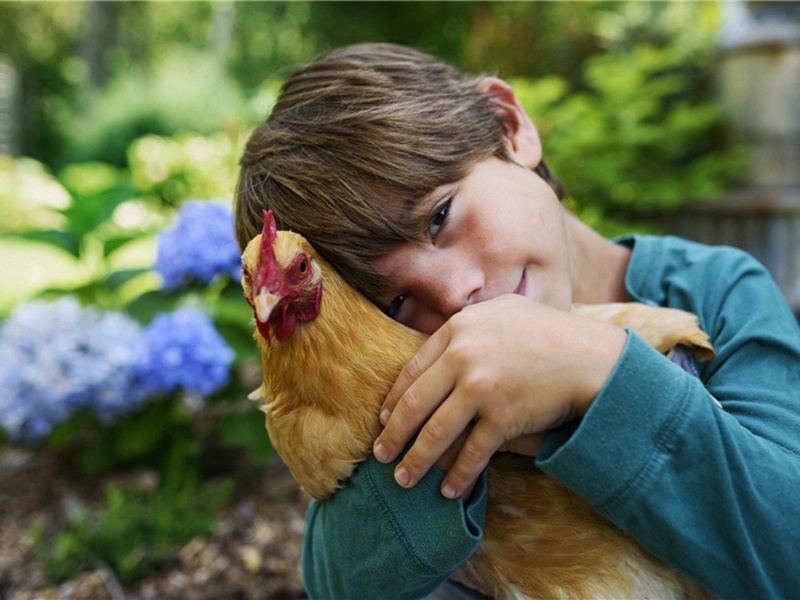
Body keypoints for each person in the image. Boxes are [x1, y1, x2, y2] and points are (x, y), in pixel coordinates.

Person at [234, 43, 800, 599]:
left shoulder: (715, 290)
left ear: (509, 127)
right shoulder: (408, 379)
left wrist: (597, 378)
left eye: (439, 218)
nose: (456, 296)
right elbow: (335, 582)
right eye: (395, 303)